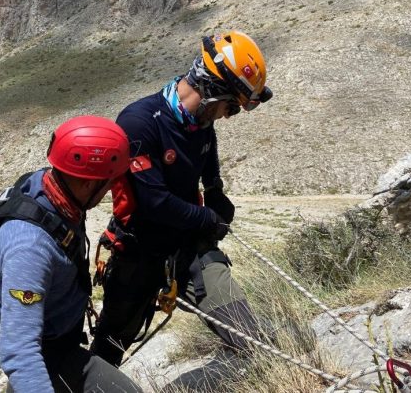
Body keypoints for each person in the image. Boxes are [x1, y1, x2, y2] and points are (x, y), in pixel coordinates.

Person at [90, 30, 274, 366]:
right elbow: (154, 202)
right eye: (230, 109)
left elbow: (207, 147)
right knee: (107, 351)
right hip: (138, 253)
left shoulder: (200, 122)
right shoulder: (139, 123)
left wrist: (215, 189)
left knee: (249, 336)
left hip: (188, 248)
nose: (227, 117)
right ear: (211, 92)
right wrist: (208, 218)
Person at [0, 116, 142, 392]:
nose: (111, 191)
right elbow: (20, 352)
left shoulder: (53, 189)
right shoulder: (30, 249)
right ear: (90, 185)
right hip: (47, 354)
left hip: (59, 342)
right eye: (109, 183)